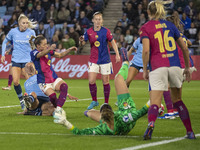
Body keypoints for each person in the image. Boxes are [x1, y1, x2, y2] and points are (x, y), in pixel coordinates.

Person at [53, 48, 150, 135]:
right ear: (112, 113)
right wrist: (155, 102)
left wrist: (65, 122)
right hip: (126, 108)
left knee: (88, 112)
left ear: (103, 119)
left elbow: (79, 132)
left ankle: (88, 112)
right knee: (118, 78)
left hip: (117, 121)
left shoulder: (103, 129)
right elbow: (142, 111)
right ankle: (125, 63)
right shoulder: (124, 119)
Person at [140, 1, 195, 140]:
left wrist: (145, 69)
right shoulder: (170, 25)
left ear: (148, 12)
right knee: (178, 101)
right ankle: (190, 132)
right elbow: (184, 48)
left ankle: (151, 124)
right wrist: (187, 67)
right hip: (175, 66)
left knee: (155, 103)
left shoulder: (146, 27)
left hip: (158, 66)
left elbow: (146, 51)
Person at [79, 12, 120, 110]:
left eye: (100, 19)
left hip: (105, 59)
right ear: (93, 20)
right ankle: (94, 101)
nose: (98, 21)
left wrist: (117, 54)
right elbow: (83, 43)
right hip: (93, 60)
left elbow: (113, 43)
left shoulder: (106, 31)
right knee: (91, 80)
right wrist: (81, 41)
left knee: (105, 81)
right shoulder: (88, 31)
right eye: (96, 19)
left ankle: (106, 103)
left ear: (102, 21)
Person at [29, 35, 77, 118]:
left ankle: (58, 109)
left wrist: (69, 50)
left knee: (64, 86)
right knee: (53, 96)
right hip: (43, 82)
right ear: (38, 46)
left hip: (53, 78)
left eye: (46, 43)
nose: (46, 45)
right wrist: (49, 48)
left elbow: (60, 55)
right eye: (44, 44)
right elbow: (40, 55)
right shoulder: (33, 52)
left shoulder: (48, 51)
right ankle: (56, 109)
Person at [1, 14, 36, 110]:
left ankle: (32, 101)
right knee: (16, 82)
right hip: (16, 60)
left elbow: (34, 47)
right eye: (23, 23)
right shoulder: (13, 32)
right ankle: (22, 100)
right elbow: (5, 42)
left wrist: (35, 58)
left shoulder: (31, 32)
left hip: (27, 62)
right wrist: (3, 54)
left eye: (26, 23)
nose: (25, 25)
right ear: (19, 23)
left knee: (29, 83)